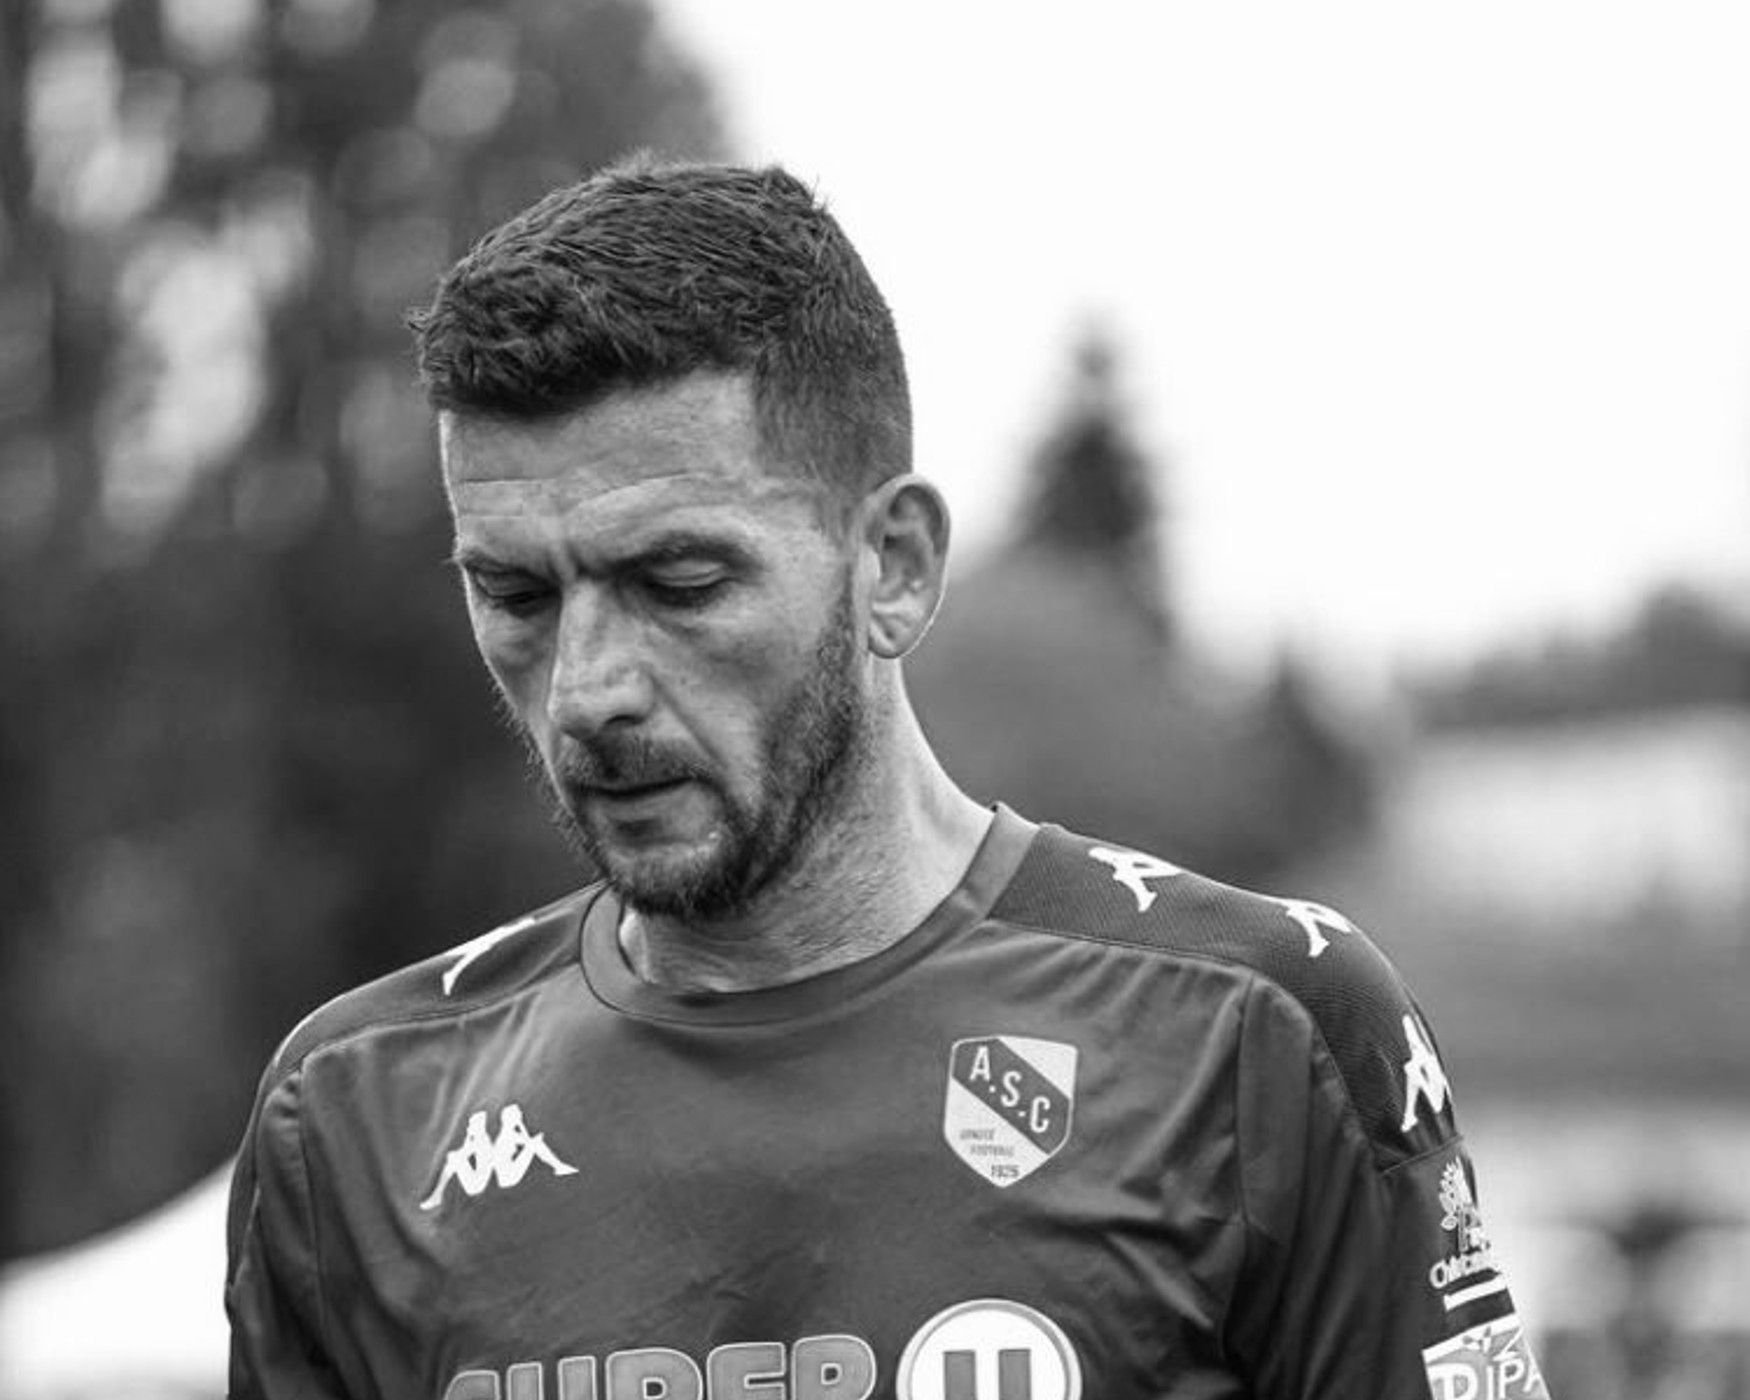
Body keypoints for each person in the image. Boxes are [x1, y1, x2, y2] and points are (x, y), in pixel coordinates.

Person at [225, 157, 1550, 1400]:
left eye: (677, 582)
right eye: (515, 595)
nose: (586, 689)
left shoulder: (1257, 1033)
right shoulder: (352, 1115)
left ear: (895, 566)